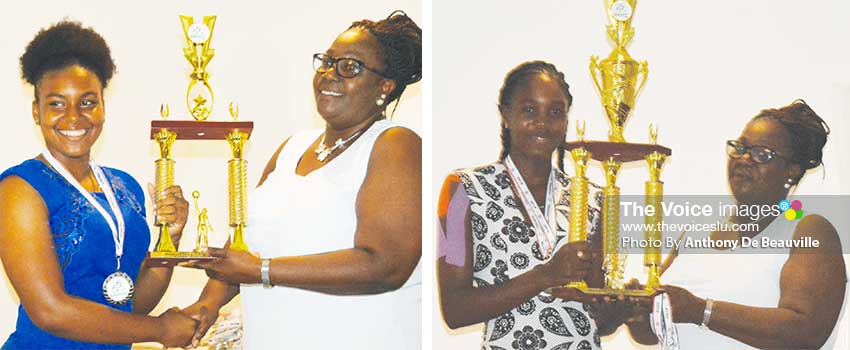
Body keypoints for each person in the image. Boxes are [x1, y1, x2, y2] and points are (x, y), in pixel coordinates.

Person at [183, 10, 422, 349]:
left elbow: (386, 264)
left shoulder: (395, 144)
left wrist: (262, 270)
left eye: (349, 67)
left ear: (385, 86)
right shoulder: (292, 148)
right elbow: (243, 248)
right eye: (326, 62)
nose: (330, 75)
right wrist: (205, 307)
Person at [0, 21, 197, 349]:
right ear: (36, 111)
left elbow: (129, 305)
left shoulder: (126, 187)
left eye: (88, 102)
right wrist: (160, 330)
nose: (74, 117)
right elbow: (50, 311)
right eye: (57, 103)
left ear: (104, 106)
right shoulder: (20, 189)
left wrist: (170, 240)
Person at [624, 100, 847, 349]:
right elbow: (654, 332)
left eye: (762, 154)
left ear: (792, 171)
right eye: (740, 147)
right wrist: (637, 312)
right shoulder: (695, 232)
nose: (744, 159)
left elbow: (805, 332)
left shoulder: (808, 229)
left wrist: (701, 310)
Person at [437, 61, 621, 350]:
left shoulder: (595, 199)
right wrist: (546, 275)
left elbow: (603, 321)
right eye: (529, 110)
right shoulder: (461, 191)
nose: (543, 123)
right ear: (506, 115)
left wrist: (619, 309)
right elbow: (454, 310)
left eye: (556, 112)